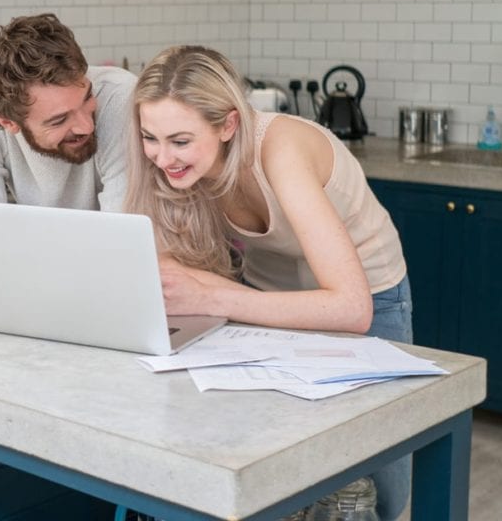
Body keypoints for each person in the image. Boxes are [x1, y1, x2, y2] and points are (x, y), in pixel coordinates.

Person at [124, 45, 412, 520]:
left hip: (369, 294)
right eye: (150, 138)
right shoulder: (174, 166)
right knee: (278, 460)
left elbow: (350, 309)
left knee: (378, 494)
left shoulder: (282, 151)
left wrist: (213, 294)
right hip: (265, 296)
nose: (161, 157)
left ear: (228, 125)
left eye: (179, 140)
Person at [0, 13, 137, 288]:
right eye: (59, 120)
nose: (85, 126)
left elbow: (124, 245)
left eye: (87, 99)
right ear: (5, 121)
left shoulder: (121, 97)